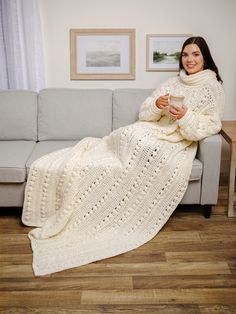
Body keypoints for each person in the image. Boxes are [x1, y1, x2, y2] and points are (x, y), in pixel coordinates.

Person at [22, 36, 225, 276]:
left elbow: (210, 125)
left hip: (176, 140)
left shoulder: (213, 87)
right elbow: (145, 111)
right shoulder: (172, 82)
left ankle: (129, 167)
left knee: (150, 150)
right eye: (185, 55)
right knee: (130, 135)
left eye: (195, 54)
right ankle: (120, 159)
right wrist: (157, 105)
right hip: (152, 129)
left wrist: (184, 116)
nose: (190, 60)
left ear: (205, 57)